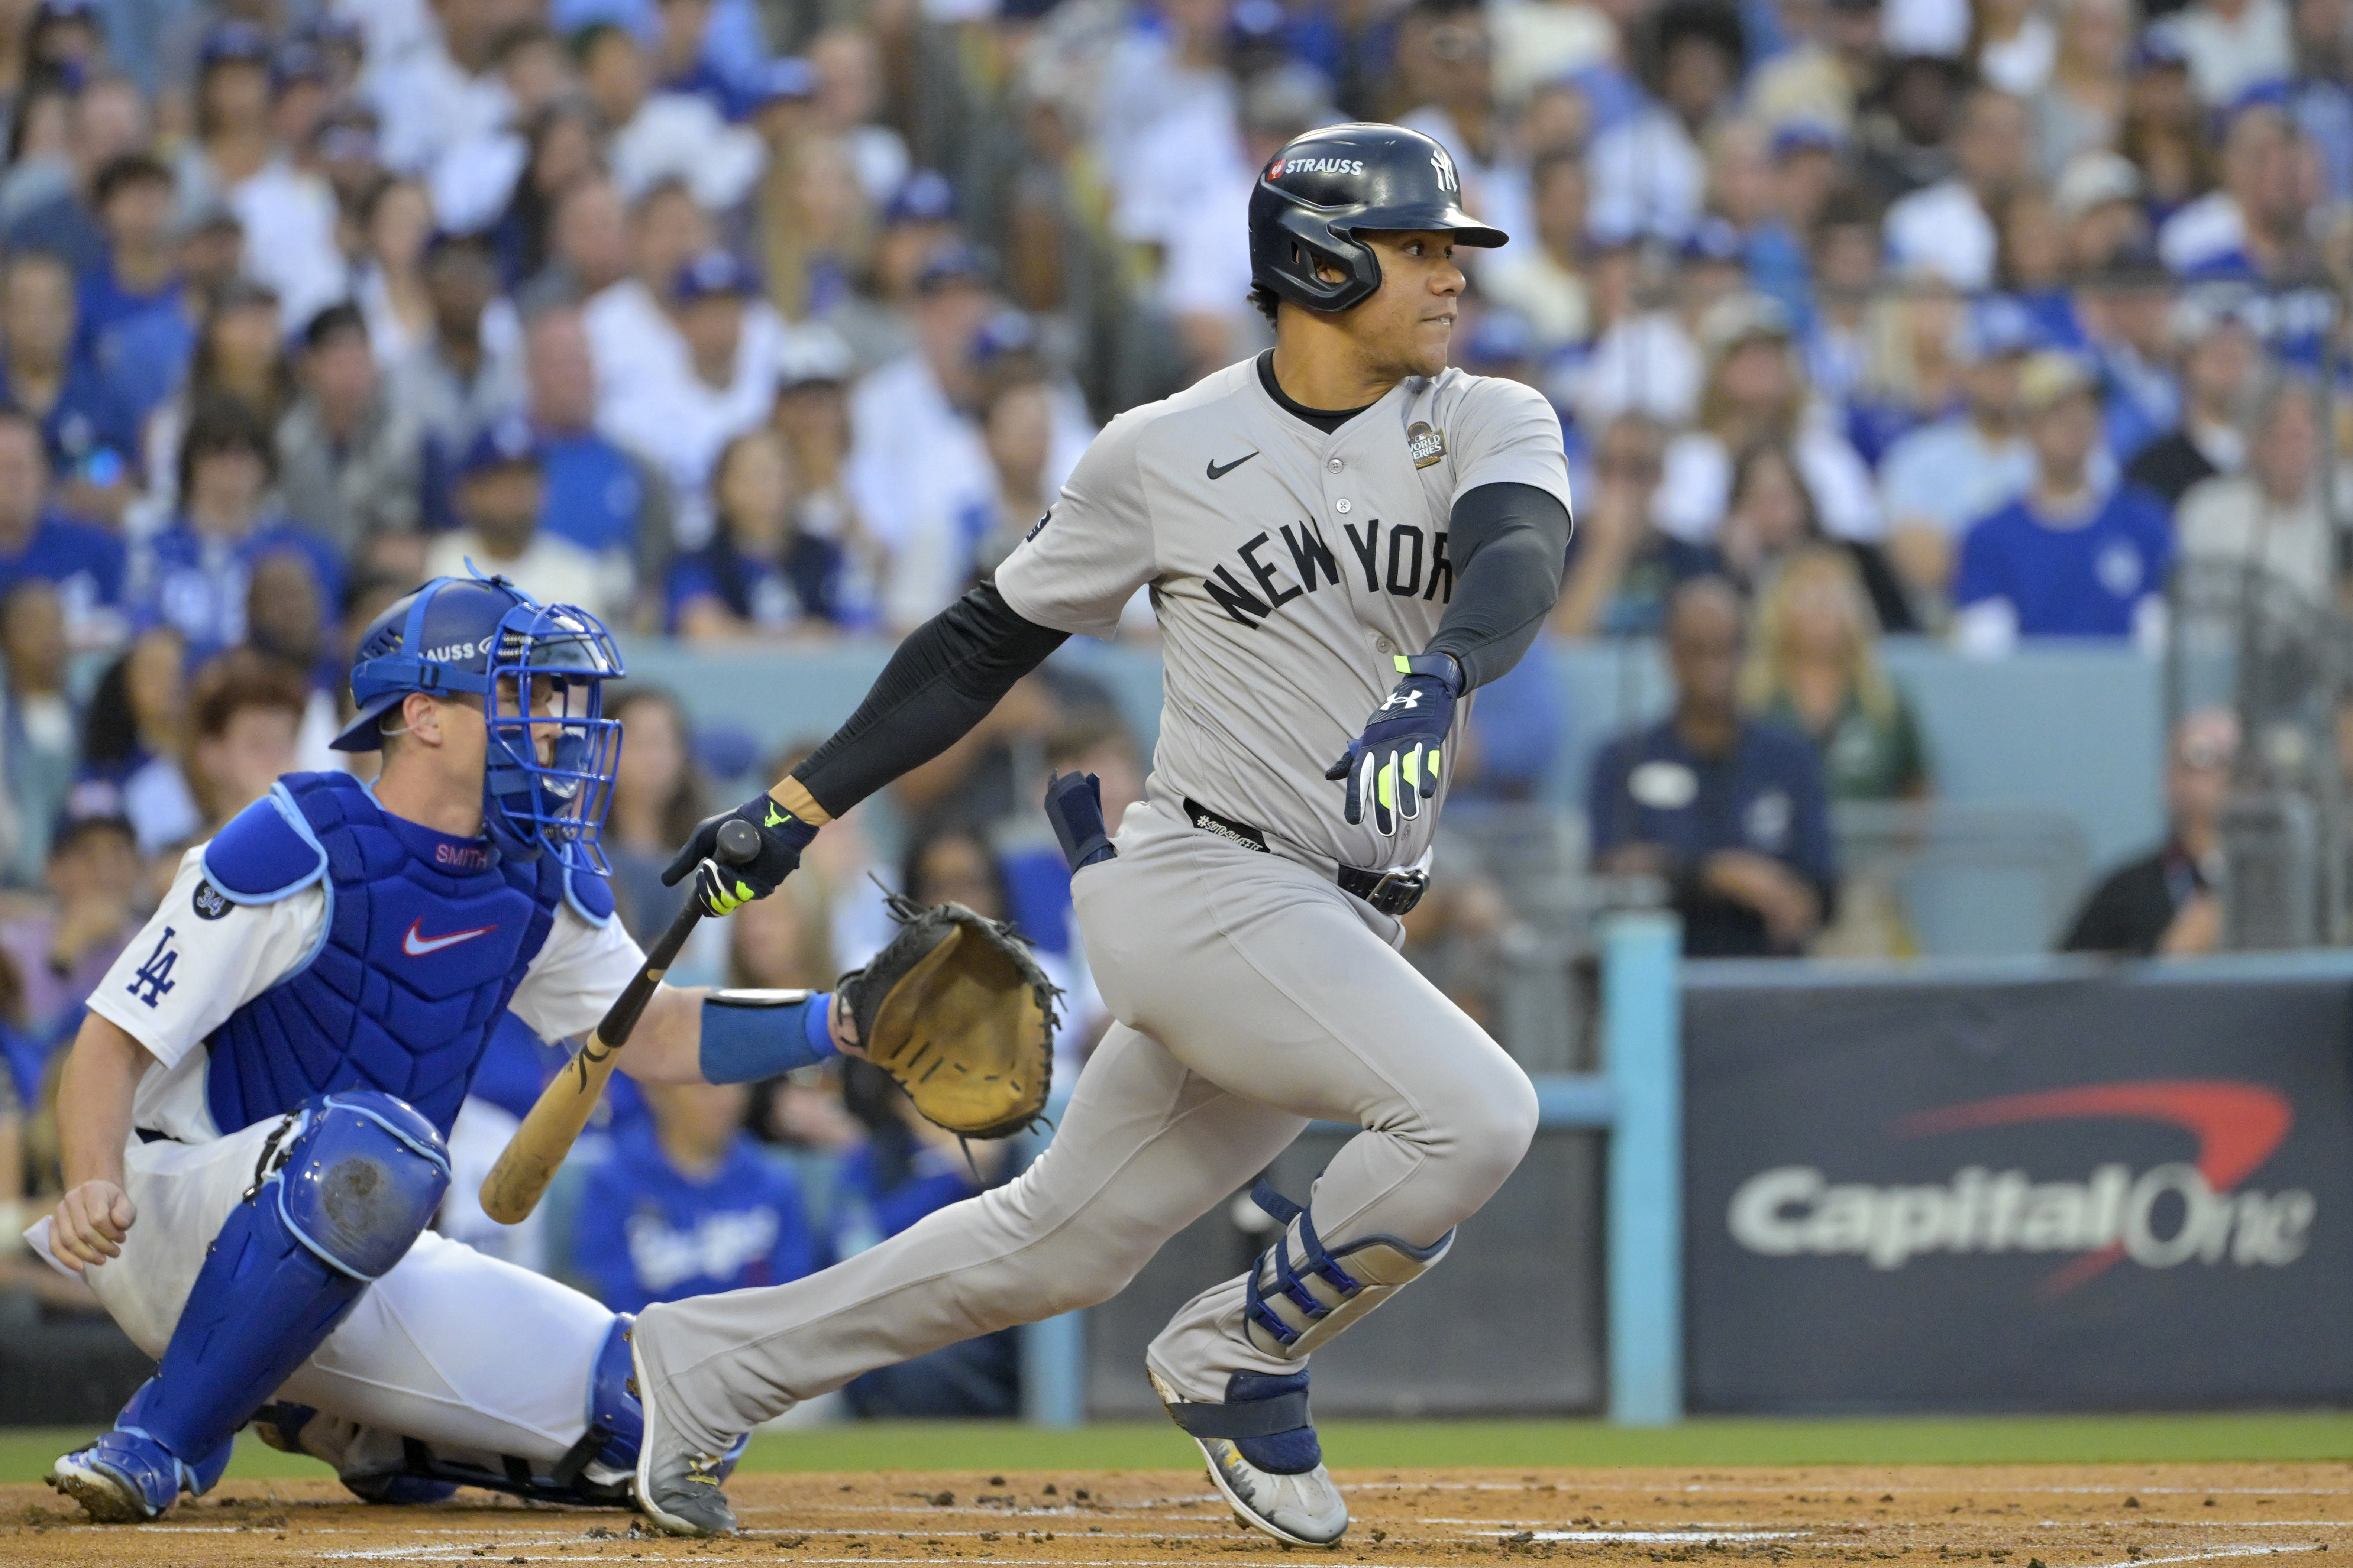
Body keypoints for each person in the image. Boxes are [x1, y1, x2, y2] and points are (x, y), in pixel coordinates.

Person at [629, 123, 1568, 1542]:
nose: (1450, 276)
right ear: (1318, 262)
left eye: (1450, 249)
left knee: (1048, 1245)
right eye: (1418, 247)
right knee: (1478, 1112)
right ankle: (1237, 1351)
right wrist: (792, 807)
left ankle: (702, 1367)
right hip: (1200, 879)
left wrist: (1445, 665)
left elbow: (1514, 555)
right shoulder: (1163, 450)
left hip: (1339, 914)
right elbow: (972, 649)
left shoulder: (1484, 415)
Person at [38, 573, 870, 1523]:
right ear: (426, 716)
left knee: (656, 1407)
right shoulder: (298, 840)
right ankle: (160, 1436)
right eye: (524, 692)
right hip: (175, 1221)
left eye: (557, 696)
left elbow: (663, 1030)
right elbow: (111, 1037)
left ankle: (340, 1417)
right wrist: (89, 1178)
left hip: (364, 1242)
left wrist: (845, 1019)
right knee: (374, 1146)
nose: (555, 723)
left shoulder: (533, 870)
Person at [1589, 576, 1838, 957]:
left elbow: (1823, 889)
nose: (1712, 667)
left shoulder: (1790, 758)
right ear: (1670, 654)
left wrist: (1793, 898)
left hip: (1770, 980)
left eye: (1725, 649)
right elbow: (1612, 869)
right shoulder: (1623, 759)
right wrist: (1718, 875)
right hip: (1658, 978)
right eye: (1696, 649)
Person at [1953, 352, 2175, 653]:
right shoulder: (1991, 536)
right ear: (2026, 427)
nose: (2075, 421)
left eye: (2087, 408)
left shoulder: (2143, 524)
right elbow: (1987, 657)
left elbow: (2160, 646)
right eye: (2056, 410)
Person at [571, 1078, 820, 1316]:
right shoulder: (614, 1182)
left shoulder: (773, 1180)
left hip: (754, 1349)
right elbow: (609, 1294)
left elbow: (793, 1291)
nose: (726, 1099)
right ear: (658, 1093)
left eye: (736, 1083)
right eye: (706, 1088)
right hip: (647, 1351)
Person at [1740, 548, 1932, 801]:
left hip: (1865, 839)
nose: (1823, 609)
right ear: (1778, 610)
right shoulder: (1752, 699)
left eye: (1834, 597)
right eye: (1808, 596)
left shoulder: (1883, 700)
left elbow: (1916, 787)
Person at [2061, 708, 2236, 955]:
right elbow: (2065, 985)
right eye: (2201, 758)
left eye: (2232, 762)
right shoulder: (2124, 893)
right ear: (2170, 779)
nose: (2223, 776)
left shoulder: (2288, 887)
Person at [425, 415, 626, 620]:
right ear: (470, 492)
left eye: (525, 482)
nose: (515, 495)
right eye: (501, 483)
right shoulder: (439, 563)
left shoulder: (577, 575)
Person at [2173, 376, 2336, 607]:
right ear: (2255, 441)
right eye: (2283, 436)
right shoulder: (2209, 510)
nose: (2295, 450)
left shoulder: (2338, 517)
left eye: (2304, 437)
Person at [665, 428, 842, 639]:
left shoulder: (826, 556)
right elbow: (704, 630)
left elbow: (865, 629)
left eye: (783, 473)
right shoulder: (700, 564)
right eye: (757, 474)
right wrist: (797, 639)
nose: (772, 487)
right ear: (722, 486)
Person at [0, 404, 124, 651]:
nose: (11, 483)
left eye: (19, 468)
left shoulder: (94, 550)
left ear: (44, 473)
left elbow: (122, 628)